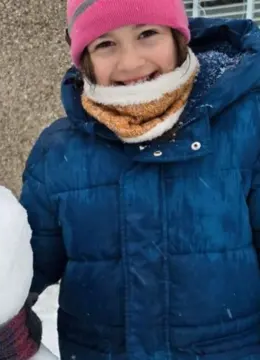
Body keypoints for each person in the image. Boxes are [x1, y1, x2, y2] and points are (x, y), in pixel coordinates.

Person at [20, 0, 260, 358]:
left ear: (178, 36)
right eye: (105, 44)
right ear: (83, 56)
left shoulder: (246, 126)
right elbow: (20, 273)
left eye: (147, 34)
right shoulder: (57, 152)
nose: (130, 62)